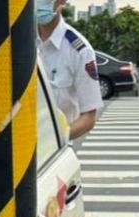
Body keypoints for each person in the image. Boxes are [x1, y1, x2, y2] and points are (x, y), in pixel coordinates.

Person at [36, 0, 103, 140]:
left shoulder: (80, 51)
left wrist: (56, 141)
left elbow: (89, 117)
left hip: (56, 151)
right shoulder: (19, 41)